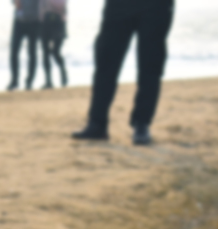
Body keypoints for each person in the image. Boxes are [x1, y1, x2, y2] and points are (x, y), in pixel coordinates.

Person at [72, 0, 174, 145]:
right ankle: (97, 123)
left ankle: (142, 124)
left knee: (150, 64)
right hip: (119, 5)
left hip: (155, 5)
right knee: (106, 60)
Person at [7, 0, 42, 91]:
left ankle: (29, 81)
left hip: (34, 21)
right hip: (19, 20)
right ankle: (14, 80)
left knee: (32, 52)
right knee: (14, 51)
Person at [40, 0, 68, 89]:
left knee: (55, 52)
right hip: (45, 21)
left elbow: (62, 5)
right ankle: (48, 81)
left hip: (58, 22)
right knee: (45, 52)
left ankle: (63, 74)